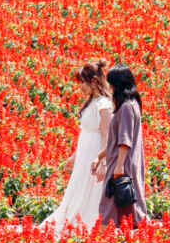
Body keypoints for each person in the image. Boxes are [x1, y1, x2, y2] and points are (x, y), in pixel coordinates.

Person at [41, 61, 113, 230]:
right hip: (84, 155)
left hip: (94, 155)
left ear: (94, 82)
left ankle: (87, 225)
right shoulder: (91, 102)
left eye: (83, 82)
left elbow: (106, 134)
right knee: (78, 188)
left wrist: (102, 161)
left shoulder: (104, 104)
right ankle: (75, 223)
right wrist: (74, 156)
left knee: (90, 190)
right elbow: (85, 133)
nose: (80, 87)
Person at [94, 64, 149, 227]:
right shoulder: (132, 105)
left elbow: (124, 141)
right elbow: (115, 140)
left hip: (122, 163)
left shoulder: (126, 107)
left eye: (112, 85)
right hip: (124, 162)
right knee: (125, 204)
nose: (110, 89)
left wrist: (119, 167)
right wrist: (100, 156)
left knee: (112, 204)